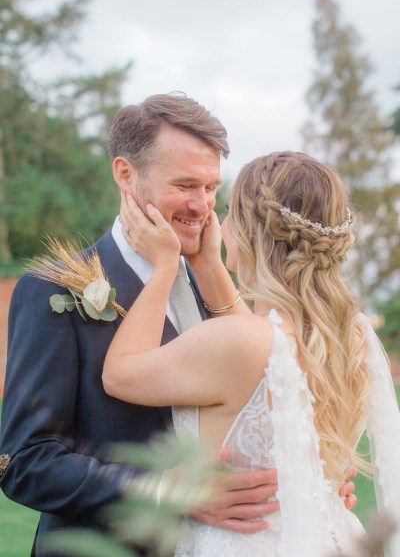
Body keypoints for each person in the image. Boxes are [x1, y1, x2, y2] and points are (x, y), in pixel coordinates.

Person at [1, 95, 315, 557]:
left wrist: (310, 482)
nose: (202, 206)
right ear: (126, 175)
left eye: (211, 187)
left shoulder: (220, 293)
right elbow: (23, 462)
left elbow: (268, 409)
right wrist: (163, 490)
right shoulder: (52, 293)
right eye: (186, 185)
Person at [103, 150, 400, 557]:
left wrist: (164, 267)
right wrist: (209, 266)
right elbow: (265, 355)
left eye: (227, 211)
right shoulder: (355, 336)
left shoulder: (241, 340)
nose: (219, 223)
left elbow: (119, 374)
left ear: (247, 230)